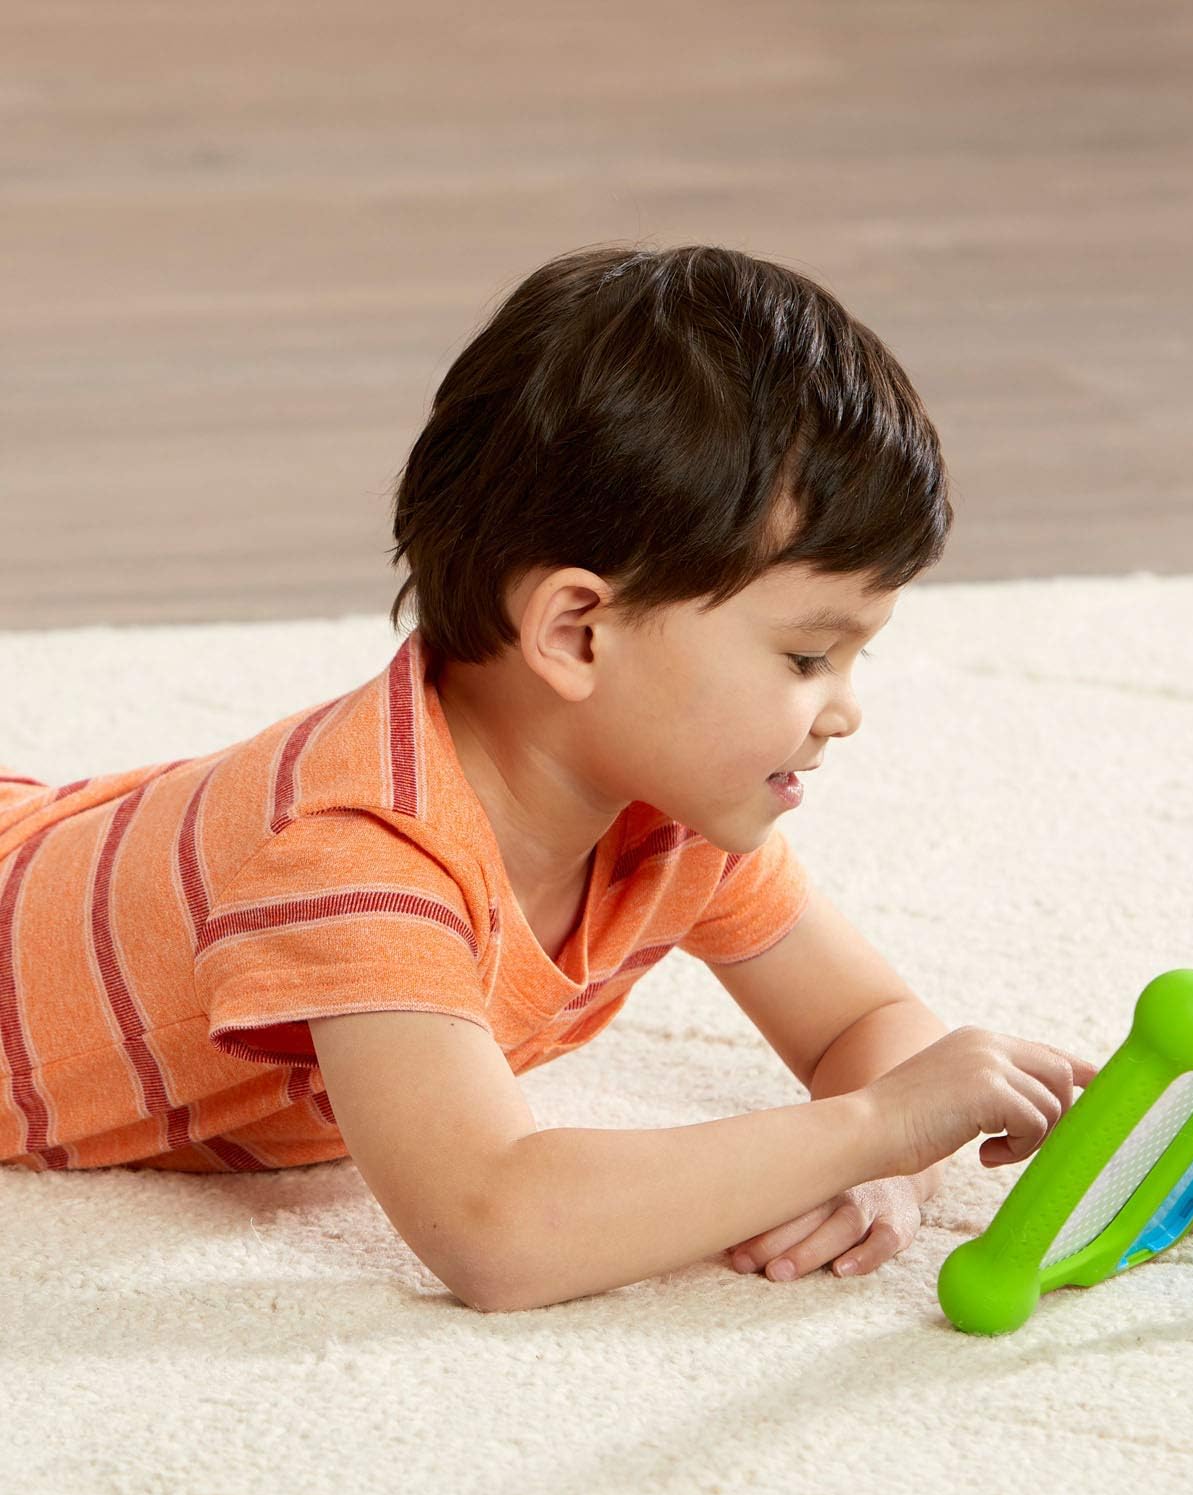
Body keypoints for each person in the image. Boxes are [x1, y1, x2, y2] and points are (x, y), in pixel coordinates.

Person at [0, 242, 1094, 1311]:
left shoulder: (674, 812)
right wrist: (872, 1126)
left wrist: (885, 1165)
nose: (846, 711)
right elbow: (497, 1229)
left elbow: (864, 1021)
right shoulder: (358, 856)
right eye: (808, 657)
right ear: (576, 632)